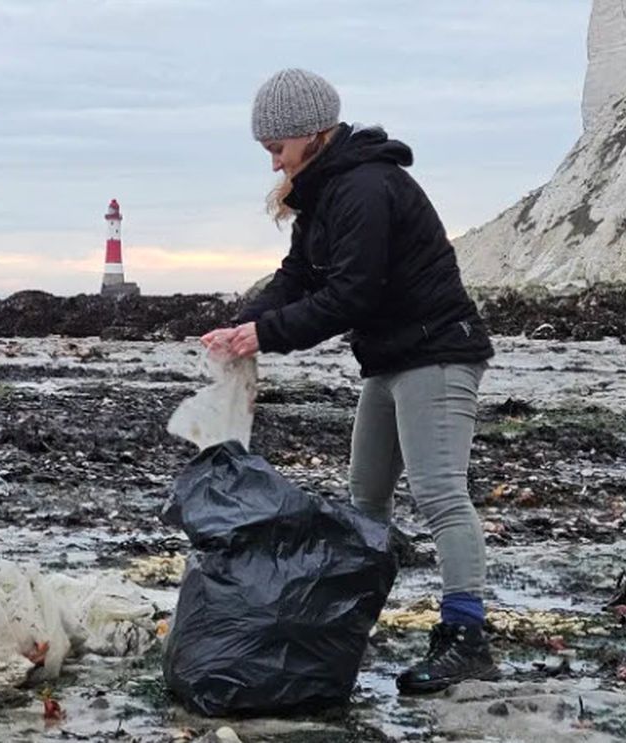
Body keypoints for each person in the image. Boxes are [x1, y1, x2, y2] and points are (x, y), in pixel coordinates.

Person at [202, 69, 497, 694]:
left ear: (312, 133)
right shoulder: (323, 194)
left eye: (276, 149)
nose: (273, 163)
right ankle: (348, 620)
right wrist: (241, 327)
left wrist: (267, 336)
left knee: (441, 494)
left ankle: (467, 636)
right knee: (365, 500)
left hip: (438, 354)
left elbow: (352, 294)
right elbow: (298, 278)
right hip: (388, 360)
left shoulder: (367, 187)